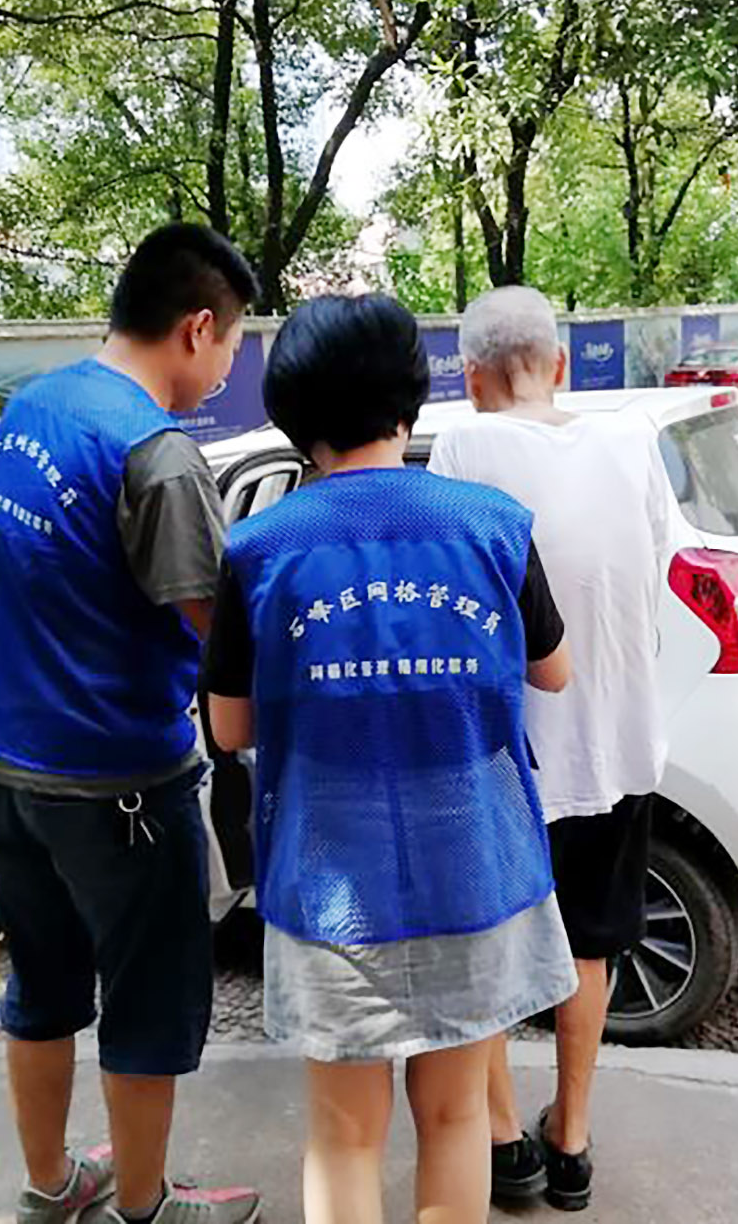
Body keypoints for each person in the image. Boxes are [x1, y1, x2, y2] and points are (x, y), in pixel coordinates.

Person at [203, 294, 579, 1224]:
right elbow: (554, 671)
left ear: (291, 413)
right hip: (473, 864)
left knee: (343, 1133)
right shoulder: (493, 525)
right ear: (411, 397)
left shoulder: (258, 549)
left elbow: (231, 729)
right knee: (454, 1117)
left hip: (330, 882)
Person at [0, 223, 263, 1224]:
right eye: (232, 343)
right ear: (196, 327)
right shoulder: (156, 453)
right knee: (147, 996)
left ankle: (51, 1184)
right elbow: (217, 630)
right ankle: (145, 1205)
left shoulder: (35, 405)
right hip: (115, 780)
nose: (228, 367)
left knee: (41, 983)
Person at [428, 286, 674, 1212]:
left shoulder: (463, 448)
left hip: (510, 756)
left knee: (491, 945)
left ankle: (504, 1143)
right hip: (617, 743)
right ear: (560, 364)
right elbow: (652, 562)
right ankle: (569, 1140)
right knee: (590, 947)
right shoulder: (631, 440)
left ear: (471, 376)